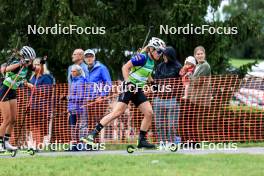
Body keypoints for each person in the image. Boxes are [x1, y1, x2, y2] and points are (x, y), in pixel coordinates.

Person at [81, 37, 166, 148]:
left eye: (162, 52)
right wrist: (129, 83)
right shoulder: (141, 57)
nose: (160, 54)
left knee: (149, 112)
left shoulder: (151, 61)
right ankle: (92, 135)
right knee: (116, 113)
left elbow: (147, 72)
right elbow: (125, 67)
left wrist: (152, 83)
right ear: (151, 49)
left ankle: (141, 140)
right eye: (159, 51)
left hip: (137, 90)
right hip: (129, 88)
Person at [0, 46, 36, 151]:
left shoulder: (26, 67)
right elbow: (5, 69)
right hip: (4, 90)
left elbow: (22, 78)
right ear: (25, 58)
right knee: (6, 119)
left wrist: (27, 84)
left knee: (13, 119)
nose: (31, 62)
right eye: (30, 60)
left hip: (13, 92)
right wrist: (20, 64)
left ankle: (6, 143)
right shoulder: (17, 63)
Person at [153, 46, 182, 143]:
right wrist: (155, 92)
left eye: (165, 55)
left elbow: (182, 84)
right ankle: (162, 142)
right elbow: (155, 82)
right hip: (159, 99)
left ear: (170, 55)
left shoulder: (178, 67)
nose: (163, 57)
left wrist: (177, 97)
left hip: (172, 100)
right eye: (163, 55)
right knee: (159, 125)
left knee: (172, 125)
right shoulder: (160, 66)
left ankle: (172, 143)